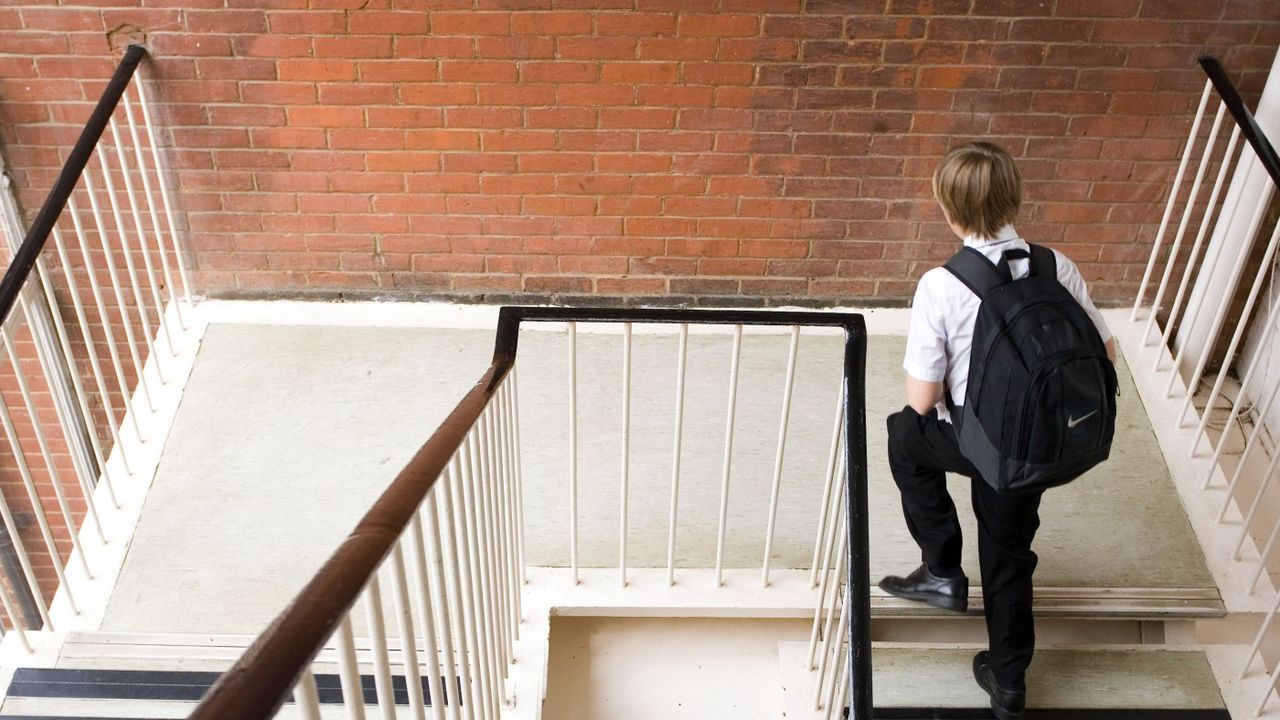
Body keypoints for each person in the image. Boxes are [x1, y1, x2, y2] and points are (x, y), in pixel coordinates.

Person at [877, 142, 1116, 720]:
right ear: (1015, 197)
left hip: (978, 439)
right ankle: (1008, 683)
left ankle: (940, 569)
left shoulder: (941, 285)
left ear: (947, 209)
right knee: (1009, 554)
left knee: (904, 434)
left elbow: (922, 398)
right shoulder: (1058, 265)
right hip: (1042, 443)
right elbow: (1106, 351)